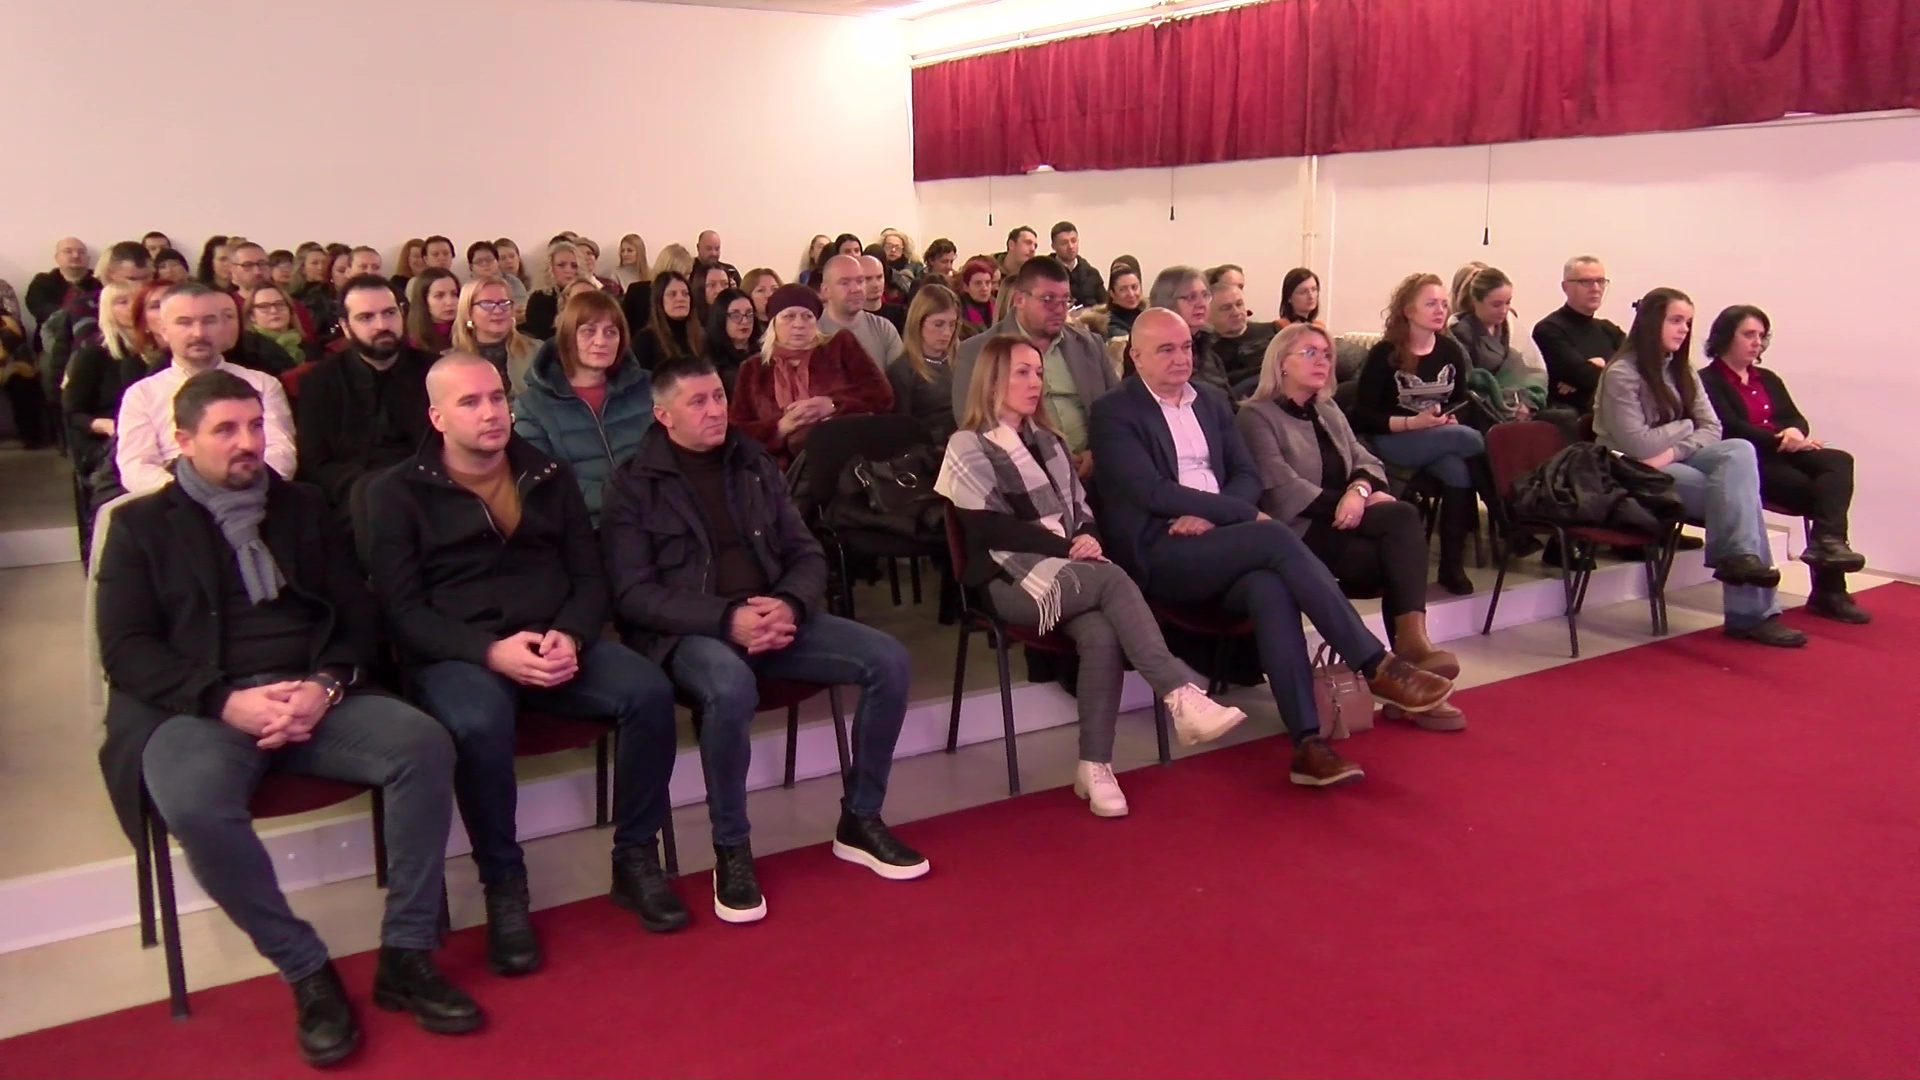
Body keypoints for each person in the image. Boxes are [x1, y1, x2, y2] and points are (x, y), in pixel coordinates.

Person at [96, 371, 482, 1063]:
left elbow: (357, 613)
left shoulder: (301, 507)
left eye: (255, 426)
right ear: (182, 442)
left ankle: (407, 952)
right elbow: (126, 651)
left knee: (423, 744)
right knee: (193, 801)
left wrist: (324, 686)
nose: (248, 443)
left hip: (313, 692)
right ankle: (305, 969)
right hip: (200, 706)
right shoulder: (140, 526)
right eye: (225, 430)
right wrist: (224, 700)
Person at [365, 354, 686, 975]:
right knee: (479, 721)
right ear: (436, 417)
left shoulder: (547, 473)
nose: (491, 413)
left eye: (496, 398)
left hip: (552, 637)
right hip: (461, 651)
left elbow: (590, 577)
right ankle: (504, 885)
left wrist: (571, 633)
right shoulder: (396, 493)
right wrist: (489, 652)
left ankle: (635, 857)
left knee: (648, 691)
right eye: (469, 402)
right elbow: (402, 613)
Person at [602, 353, 929, 922]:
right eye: (697, 402)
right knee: (729, 687)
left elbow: (805, 551)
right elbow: (633, 594)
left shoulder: (752, 461)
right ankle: (732, 848)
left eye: (718, 397)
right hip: (691, 632)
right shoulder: (633, 484)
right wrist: (727, 618)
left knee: (888, 660)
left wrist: (789, 604)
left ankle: (860, 819)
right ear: (663, 415)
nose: (715, 410)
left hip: (775, 616)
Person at [1088, 310, 1456, 785]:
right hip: (1161, 549)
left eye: (1186, 347)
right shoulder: (1114, 411)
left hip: (1221, 537)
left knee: (1270, 588)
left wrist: (1217, 514)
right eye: (1166, 349)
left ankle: (1308, 743)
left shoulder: (1211, 401)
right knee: (1274, 534)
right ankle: (1374, 664)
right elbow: (1151, 492)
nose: (1181, 358)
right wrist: (1232, 513)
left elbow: (1247, 476)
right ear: (1136, 356)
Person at [938, 335, 1250, 816]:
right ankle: (1179, 694)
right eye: (1022, 372)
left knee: (1102, 631)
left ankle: (1094, 765)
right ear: (993, 380)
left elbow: (1081, 510)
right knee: (1111, 579)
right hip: (1008, 578)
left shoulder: (1050, 442)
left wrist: (1084, 536)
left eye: (1038, 372)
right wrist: (1068, 547)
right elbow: (987, 528)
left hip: (1069, 571)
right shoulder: (968, 443)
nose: (1035, 382)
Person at [1238, 323, 1465, 727]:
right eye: (1309, 353)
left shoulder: (1327, 408)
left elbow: (1367, 460)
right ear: (1281, 363)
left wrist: (1358, 491)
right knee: (1393, 560)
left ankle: (1412, 656)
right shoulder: (1256, 415)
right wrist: (1349, 503)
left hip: (1346, 518)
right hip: (1298, 533)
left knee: (1402, 516)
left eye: (1327, 354)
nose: (1322, 361)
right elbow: (1282, 488)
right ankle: (1410, 677)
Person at [1594, 288, 1804, 647]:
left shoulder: (1682, 368)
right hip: (1631, 470)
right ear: (1652, 322)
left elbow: (1713, 428)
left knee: (1739, 450)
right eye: (1676, 320)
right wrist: (1687, 426)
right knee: (1739, 498)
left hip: (1665, 460)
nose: (1684, 329)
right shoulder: (1621, 374)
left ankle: (1737, 559)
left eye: (1688, 322)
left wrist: (1672, 450)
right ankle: (1749, 611)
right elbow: (1639, 444)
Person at [1698, 304, 1868, 624]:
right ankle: (1830, 589)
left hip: (1785, 450)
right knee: (1820, 495)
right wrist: (1781, 438)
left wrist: (1795, 433)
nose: (1757, 343)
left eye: (1762, 336)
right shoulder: (1707, 381)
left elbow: (1794, 417)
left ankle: (1827, 544)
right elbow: (1727, 427)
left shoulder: (1767, 378)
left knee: (1839, 460)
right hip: (1748, 460)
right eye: (1748, 334)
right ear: (1725, 337)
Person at [1349, 272, 1486, 595]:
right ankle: (1508, 516)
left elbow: (1459, 400)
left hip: (1437, 437)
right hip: (1392, 439)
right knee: (1470, 439)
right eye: (1431, 304)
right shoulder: (1385, 353)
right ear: (1409, 310)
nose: (1440, 310)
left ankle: (1451, 567)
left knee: (1457, 468)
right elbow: (1362, 417)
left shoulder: (1450, 350)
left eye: (1443, 304)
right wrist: (1414, 423)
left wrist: (1450, 418)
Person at [116, 284, 295, 495]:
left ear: (223, 325)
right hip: (173, 500)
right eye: (184, 322)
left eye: (209, 321)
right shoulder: (142, 395)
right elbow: (136, 466)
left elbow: (281, 454)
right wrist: (194, 491)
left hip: (255, 493)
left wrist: (243, 484)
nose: (198, 333)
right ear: (164, 330)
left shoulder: (263, 384)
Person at [956, 257, 1118, 479]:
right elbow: (974, 425)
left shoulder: (1090, 345)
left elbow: (1115, 409)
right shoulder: (977, 351)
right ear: (1019, 299)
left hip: (1096, 469)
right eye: (1048, 299)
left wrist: (1095, 452)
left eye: (1065, 300)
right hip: (1020, 474)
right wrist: (1049, 459)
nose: (1059, 309)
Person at [295, 276, 433, 517]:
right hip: (354, 501)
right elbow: (314, 463)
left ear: (402, 313)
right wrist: (373, 489)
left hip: (430, 491)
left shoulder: (436, 372)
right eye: (366, 317)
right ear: (346, 326)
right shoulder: (319, 381)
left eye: (389, 313)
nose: (382, 325)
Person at [513, 291, 653, 526]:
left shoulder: (647, 387)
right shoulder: (533, 406)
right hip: (588, 526)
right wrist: (619, 496)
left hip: (656, 515)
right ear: (568, 337)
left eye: (611, 332)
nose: (601, 341)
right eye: (589, 331)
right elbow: (543, 482)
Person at [730, 284, 893, 471]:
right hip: (780, 473)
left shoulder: (840, 346)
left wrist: (832, 405)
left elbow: (882, 395)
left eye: (807, 316)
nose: (799, 324)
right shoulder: (753, 369)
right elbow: (737, 433)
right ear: (773, 323)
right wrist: (781, 427)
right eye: (789, 316)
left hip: (846, 463)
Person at [62, 279, 143, 470]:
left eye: (138, 300)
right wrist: (104, 425)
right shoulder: (94, 353)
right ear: (108, 311)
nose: (133, 306)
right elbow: (73, 412)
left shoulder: (159, 351)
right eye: (122, 302)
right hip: (109, 442)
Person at [1532, 256, 1623, 415]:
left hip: (1613, 412)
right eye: (1585, 282)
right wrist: (1593, 373)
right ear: (1565, 287)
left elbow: (1636, 368)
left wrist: (1599, 365)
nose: (1596, 288)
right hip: (1576, 418)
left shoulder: (1608, 330)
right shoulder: (1549, 329)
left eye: (1600, 281)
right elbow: (1584, 377)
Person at [888, 283, 962, 446]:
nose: (947, 333)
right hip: (933, 449)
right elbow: (903, 432)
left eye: (952, 324)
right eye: (938, 324)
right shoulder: (902, 370)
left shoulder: (963, 359)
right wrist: (945, 437)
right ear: (918, 323)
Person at [451, 278, 539, 397]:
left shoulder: (538, 351)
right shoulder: (451, 363)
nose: (498, 310)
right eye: (487, 304)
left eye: (504, 303)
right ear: (468, 312)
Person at [818, 255, 902, 369]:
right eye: (845, 283)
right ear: (825, 291)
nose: (856, 289)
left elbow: (901, 377)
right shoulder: (812, 332)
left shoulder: (884, 328)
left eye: (860, 281)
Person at [1205, 282, 1276, 397]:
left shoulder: (1273, 331)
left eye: (1239, 304)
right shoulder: (1207, 352)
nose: (1236, 312)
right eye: (1226, 308)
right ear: (1208, 315)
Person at [633, 270, 700, 371]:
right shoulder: (645, 339)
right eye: (672, 294)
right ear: (659, 300)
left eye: (685, 294)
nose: (681, 299)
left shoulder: (701, 336)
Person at [522, 241, 584, 341]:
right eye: (561, 265)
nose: (569, 270)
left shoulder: (586, 295)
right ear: (550, 268)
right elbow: (542, 337)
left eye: (574, 266)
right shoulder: (539, 299)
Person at [702, 286, 757, 394]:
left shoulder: (763, 352)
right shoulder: (710, 359)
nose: (745, 321)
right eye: (735, 315)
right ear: (721, 318)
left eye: (749, 314)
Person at [244, 283, 314, 367]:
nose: (274, 311)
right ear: (252, 315)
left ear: (290, 309)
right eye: (264, 307)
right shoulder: (248, 350)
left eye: (280, 304)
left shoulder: (306, 344)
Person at [1049, 221, 1106, 308]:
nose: (1070, 246)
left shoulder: (1092, 273)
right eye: (1064, 243)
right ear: (1054, 246)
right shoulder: (1045, 274)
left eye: (1073, 241)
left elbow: (1105, 306)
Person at [405, 268, 461, 353]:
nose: (450, 302)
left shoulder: (468, 326)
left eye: (454, 294)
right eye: (439, 296)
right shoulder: (411, 339)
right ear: (424, 300)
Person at [992, 226, 1039, 321]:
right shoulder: (989, 271)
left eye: (1035, 246)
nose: (1033, 249)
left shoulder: (1034, 277)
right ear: (1011, 245)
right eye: (1028, 243)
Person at [858, 254, 908, 333]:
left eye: (879, 277)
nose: (876, 284)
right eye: (867, 279)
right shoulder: (849, 318)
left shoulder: (901, 314)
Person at [1102, 265, 1144, 340]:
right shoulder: (1111, 325)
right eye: (1123, 289)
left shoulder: (1149, 314)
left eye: (1134, 287)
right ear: (1112, 294)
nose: (1131, 294)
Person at [957, 256, 997, 330]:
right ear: (966, 287)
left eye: (988, 283)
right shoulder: (958, 310)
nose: (984, 288)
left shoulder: (997, 306)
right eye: (978, 283)